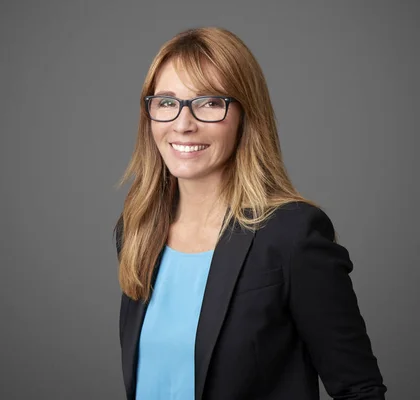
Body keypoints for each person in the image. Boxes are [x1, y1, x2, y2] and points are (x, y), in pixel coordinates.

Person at [113, 27, 386, 400]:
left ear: (245, 114)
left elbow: (360, 390)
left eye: (209, 102)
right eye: (166, 102)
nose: (183, 124)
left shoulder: (291, 235)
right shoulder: (137, 230)